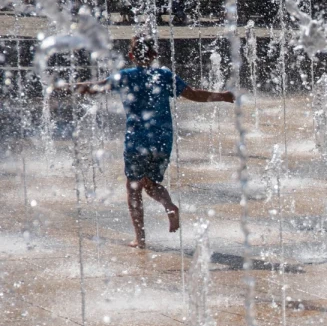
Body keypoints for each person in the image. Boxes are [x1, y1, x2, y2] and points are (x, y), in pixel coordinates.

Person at [74, 36, 234, 249]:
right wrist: (222, 96)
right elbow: (194, 94)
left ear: (131, 55)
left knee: (134, 187)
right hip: (162, 140)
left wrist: (65, 86)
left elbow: (95, 87)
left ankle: (140, 238)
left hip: (137, 139)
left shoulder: (125, 76)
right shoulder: (164, 75)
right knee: (150, 183)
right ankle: (168, 205)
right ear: (155, 55)